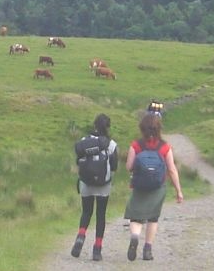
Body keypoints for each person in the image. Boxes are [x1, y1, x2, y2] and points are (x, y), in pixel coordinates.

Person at [123, 112, 184, 261]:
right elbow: (171, 170)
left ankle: (135, 236)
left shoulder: (136, 145)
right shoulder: (165, 147)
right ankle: (147, 250)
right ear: (159, 128)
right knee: (153, 217)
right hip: (158, 187)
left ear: (142, 128)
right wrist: (178, 191)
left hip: (139, 186)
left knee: (135, 216)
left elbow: (129, 166)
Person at [71, 113, 118, 261]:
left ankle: (81, 235)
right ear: (108, 127)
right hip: (103, 184)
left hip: (86, 182)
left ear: (94, 125)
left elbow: (78, 160)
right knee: (100, 215)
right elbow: (115, 166)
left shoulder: (84, 141)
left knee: (86, 212)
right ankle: (97, 249)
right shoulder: (111, 144)